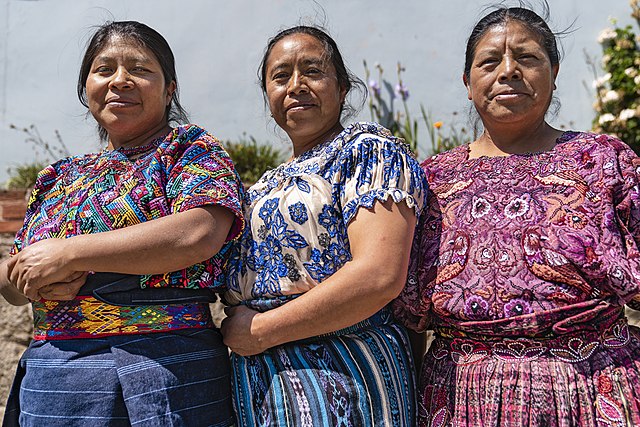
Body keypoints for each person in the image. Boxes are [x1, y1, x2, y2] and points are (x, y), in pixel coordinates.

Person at [393, 4, 640, 427]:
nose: (508, 71)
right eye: (489, 61)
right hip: (458, 401)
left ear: (555, 71)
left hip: (591, 394)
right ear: (468, 83)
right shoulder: (430, 180)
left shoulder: (603, 161)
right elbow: (406, 312)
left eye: (527, 58)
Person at [0, 21, 243, 426]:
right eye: (104, 69)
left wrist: (70, 252)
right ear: (86, 88)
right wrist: (30, 276)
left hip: (166, 374)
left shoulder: (189, 151)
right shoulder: (57, 178)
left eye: (140, 69)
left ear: (170, 89)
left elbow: (199, 233)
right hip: (54, 388)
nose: (121, 80)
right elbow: (13, 278)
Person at [220, 25, 427, 426]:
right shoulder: (264, 184)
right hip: (266, 381)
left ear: (343, 88)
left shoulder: (368, 152)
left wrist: (262, 330)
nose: (296, 86)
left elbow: (378, 275)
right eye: (281, 77)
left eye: (312, 72)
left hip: (344, 370)